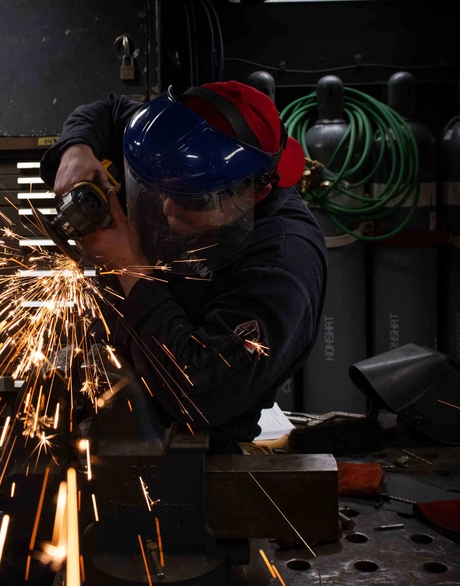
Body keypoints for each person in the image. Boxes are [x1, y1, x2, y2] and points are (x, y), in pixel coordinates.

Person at [40, 81, 328, 454]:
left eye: (191, 198)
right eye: (158, 189)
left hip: (192, 454)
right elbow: (109, 110)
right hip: (120, 402)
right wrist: (75, 149)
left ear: (255, 190)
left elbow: (202, 392)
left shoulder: (282, 265)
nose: (167, 211)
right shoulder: (178, 135)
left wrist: (130, 268)